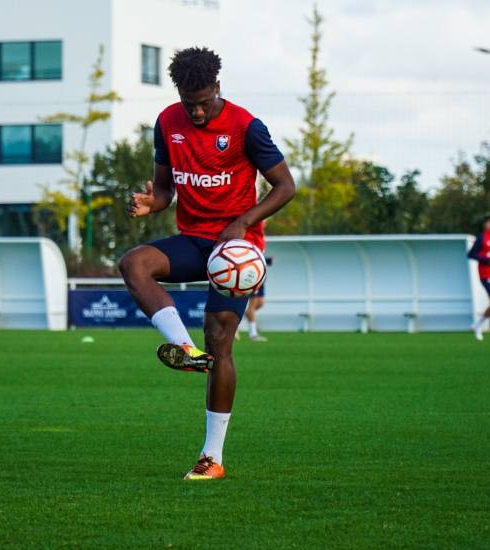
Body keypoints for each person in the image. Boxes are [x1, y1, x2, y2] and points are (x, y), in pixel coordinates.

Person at [118, 47, 295, 480]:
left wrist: (244, 221)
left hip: (235, 250)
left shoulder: (247, 127)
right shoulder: (166, 122)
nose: (196, 112)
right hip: (195, 240)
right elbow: (164, 189)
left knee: (220, 340)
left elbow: (285, 186)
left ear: (217, 87)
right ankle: (184, 350)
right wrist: (150, 203)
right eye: (188, 103)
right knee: (133, 263)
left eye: (203, 102)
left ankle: (211, 458)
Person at [244, 254, 272, 342]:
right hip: (254, 275)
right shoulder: (251, 241)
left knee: (260, 303)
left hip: (261, 278)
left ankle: (242, 316)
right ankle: (253, 334)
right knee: (252, 305)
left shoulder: (261, 241)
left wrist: (267, 260)